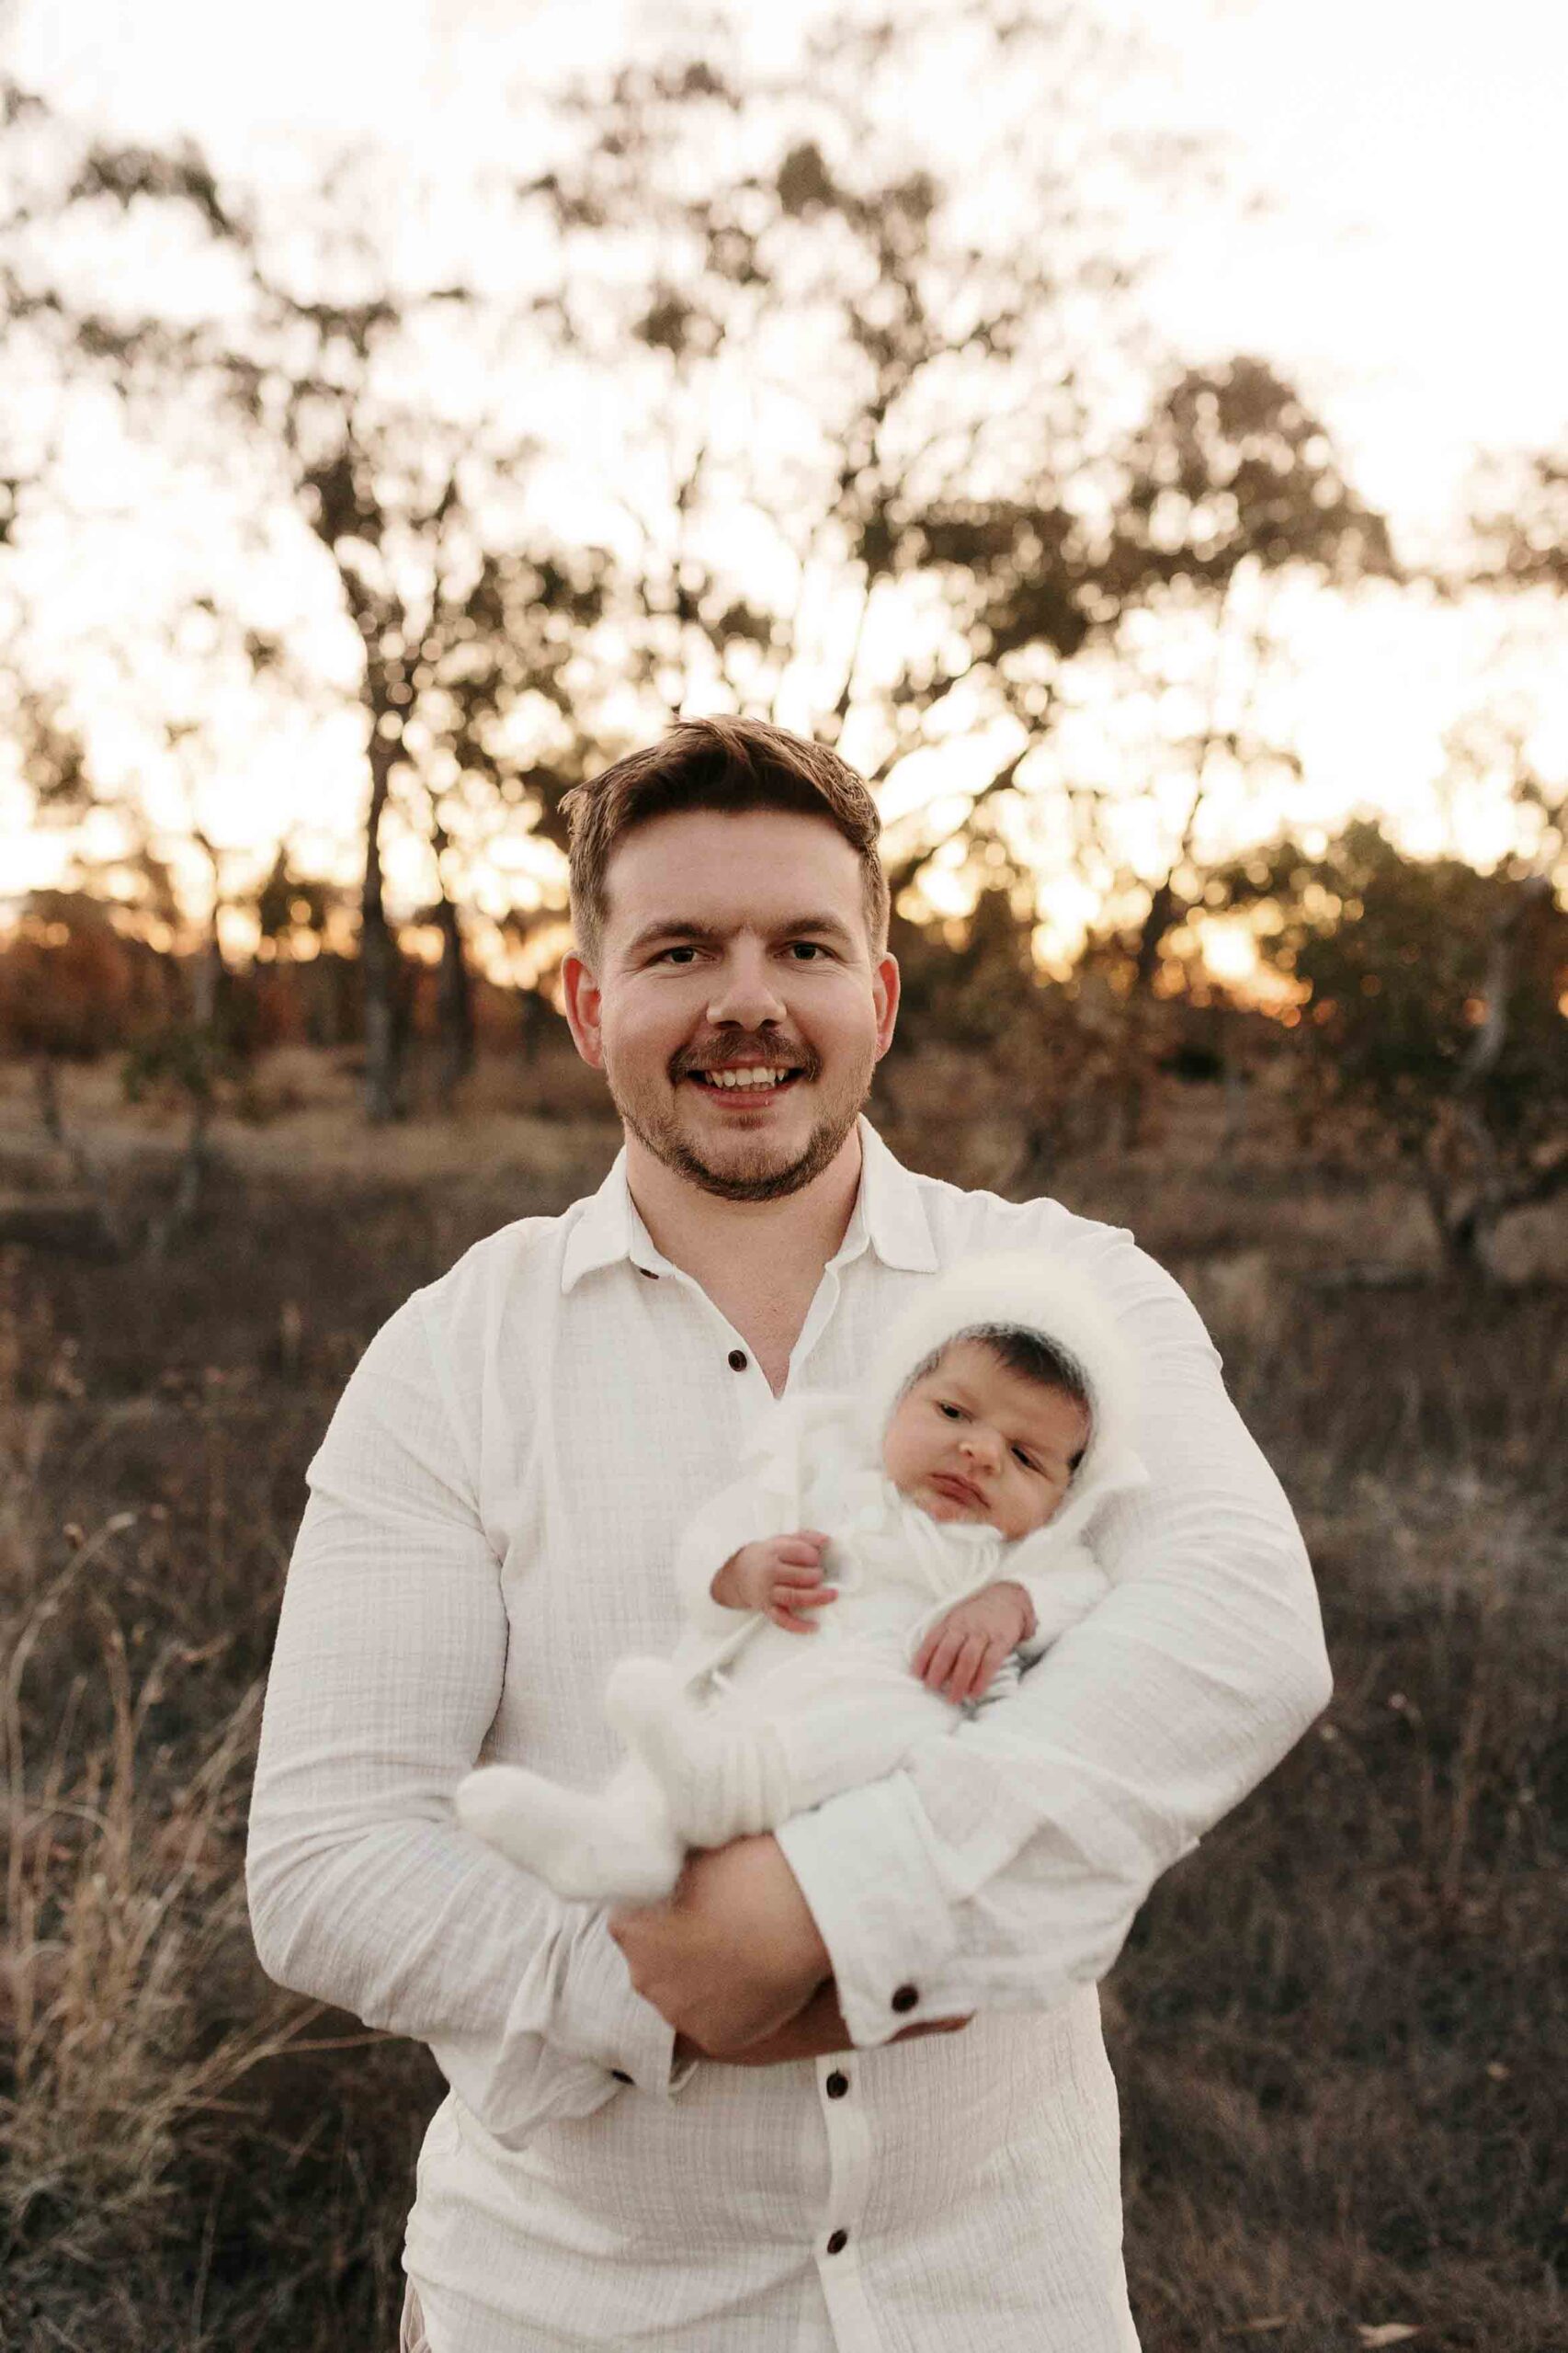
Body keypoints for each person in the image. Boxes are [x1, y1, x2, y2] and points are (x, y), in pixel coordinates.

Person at [246, 716, 1333, 2353]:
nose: (746, 1000)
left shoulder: (1070, 1291)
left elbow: (1240, 1622)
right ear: (590, 1000)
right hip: (573, 2307)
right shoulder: (451, 1357)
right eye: (680, 948)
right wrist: (656, 1985)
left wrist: (821, 1905)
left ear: (876, 999)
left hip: (1000, 2290)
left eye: (804, 948)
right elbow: (328, 1860)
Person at [454, 1247, 1139, 1906]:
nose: (978, 1451)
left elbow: (1081, 1589)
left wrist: (1010, 1603)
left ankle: (728, 1792)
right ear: (896, 1399)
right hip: (758, 1684)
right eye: (954, 1412)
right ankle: (626, 1841)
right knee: (691, 1711)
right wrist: (743, 1571)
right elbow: (714, 1536)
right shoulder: (825, 1470)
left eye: (1024, 1456)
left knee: (890, 1718)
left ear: (1064, 1498)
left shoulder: (1028, 1555)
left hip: (891, 1710)